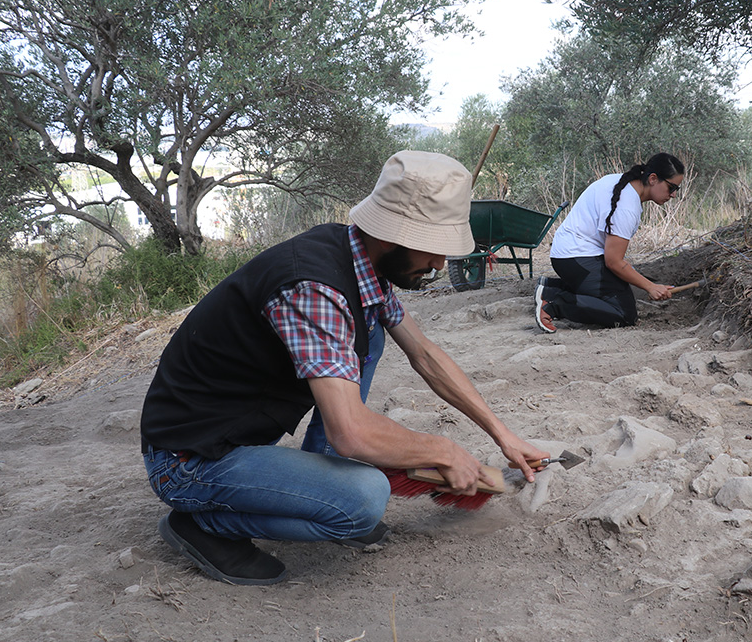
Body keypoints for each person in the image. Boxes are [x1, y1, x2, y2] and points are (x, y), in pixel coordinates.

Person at [140, 151, 548, 586]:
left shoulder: (357, 258)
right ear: (396, 235)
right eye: (434, 249)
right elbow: (351, 433)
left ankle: (322, 475)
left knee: (370, 330)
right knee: (362, 499)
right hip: (189, 459)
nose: (439, 265)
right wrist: (444, 452)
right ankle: (203, 526)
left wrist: (502, 435)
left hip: (230, 430)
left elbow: (424, 353)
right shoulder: (315, 287)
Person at [534, 153, 686, 332]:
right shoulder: (626, 207)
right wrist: (650, 287)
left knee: (621, 289)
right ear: (653, 178)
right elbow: (613, 262)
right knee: (623, 313)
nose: (674, 195)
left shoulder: (620, 182)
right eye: (671, 187)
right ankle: (553, 304)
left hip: (567, 254)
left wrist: (646, 284)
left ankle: (548, 288)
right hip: (576, 258)